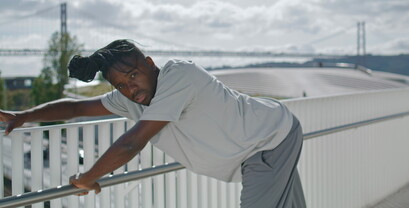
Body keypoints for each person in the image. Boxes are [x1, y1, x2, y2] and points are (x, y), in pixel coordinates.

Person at [0, 39, 306, 207]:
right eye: (120, 85)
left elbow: (132, 141)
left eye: (133, 75)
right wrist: (25, 116)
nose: (130, 88)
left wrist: (87, 177)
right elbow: (77, 105)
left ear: (150, 64)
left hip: (268, 144)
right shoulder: (130, 99)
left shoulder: (180, 76)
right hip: (261, 144)